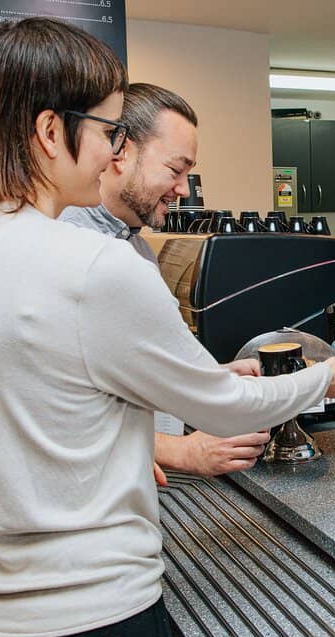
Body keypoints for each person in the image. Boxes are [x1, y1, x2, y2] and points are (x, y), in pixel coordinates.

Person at [0, 18, 335, 637]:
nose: (112, 152)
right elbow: (228, 408)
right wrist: (325, 378)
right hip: (95, 636)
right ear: (51, 132)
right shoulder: (94, 263)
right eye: (109, 131)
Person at [60, 83, 268, 479]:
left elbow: (128, 374)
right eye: (176, 170)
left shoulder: (134, 246)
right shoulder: (66, 246)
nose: (183, 189)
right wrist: (179, 451)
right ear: (120, 150)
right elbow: (57, 409)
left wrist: (215, 376)